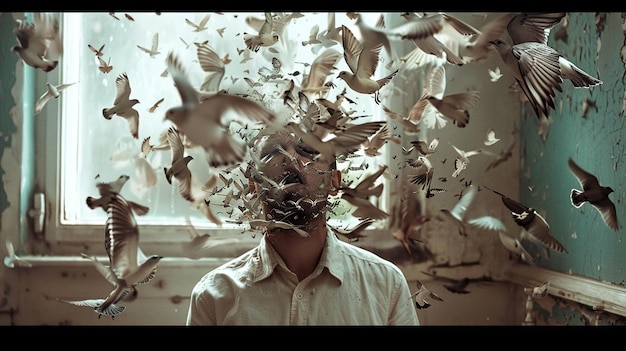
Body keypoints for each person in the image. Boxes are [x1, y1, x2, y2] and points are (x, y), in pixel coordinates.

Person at [186, 128, 420, 325]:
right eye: (272, 152)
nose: (291, 160)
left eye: (309, 151)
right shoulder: (213, 296)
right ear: (253, 184)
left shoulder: (386, 285)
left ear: (334, 182)